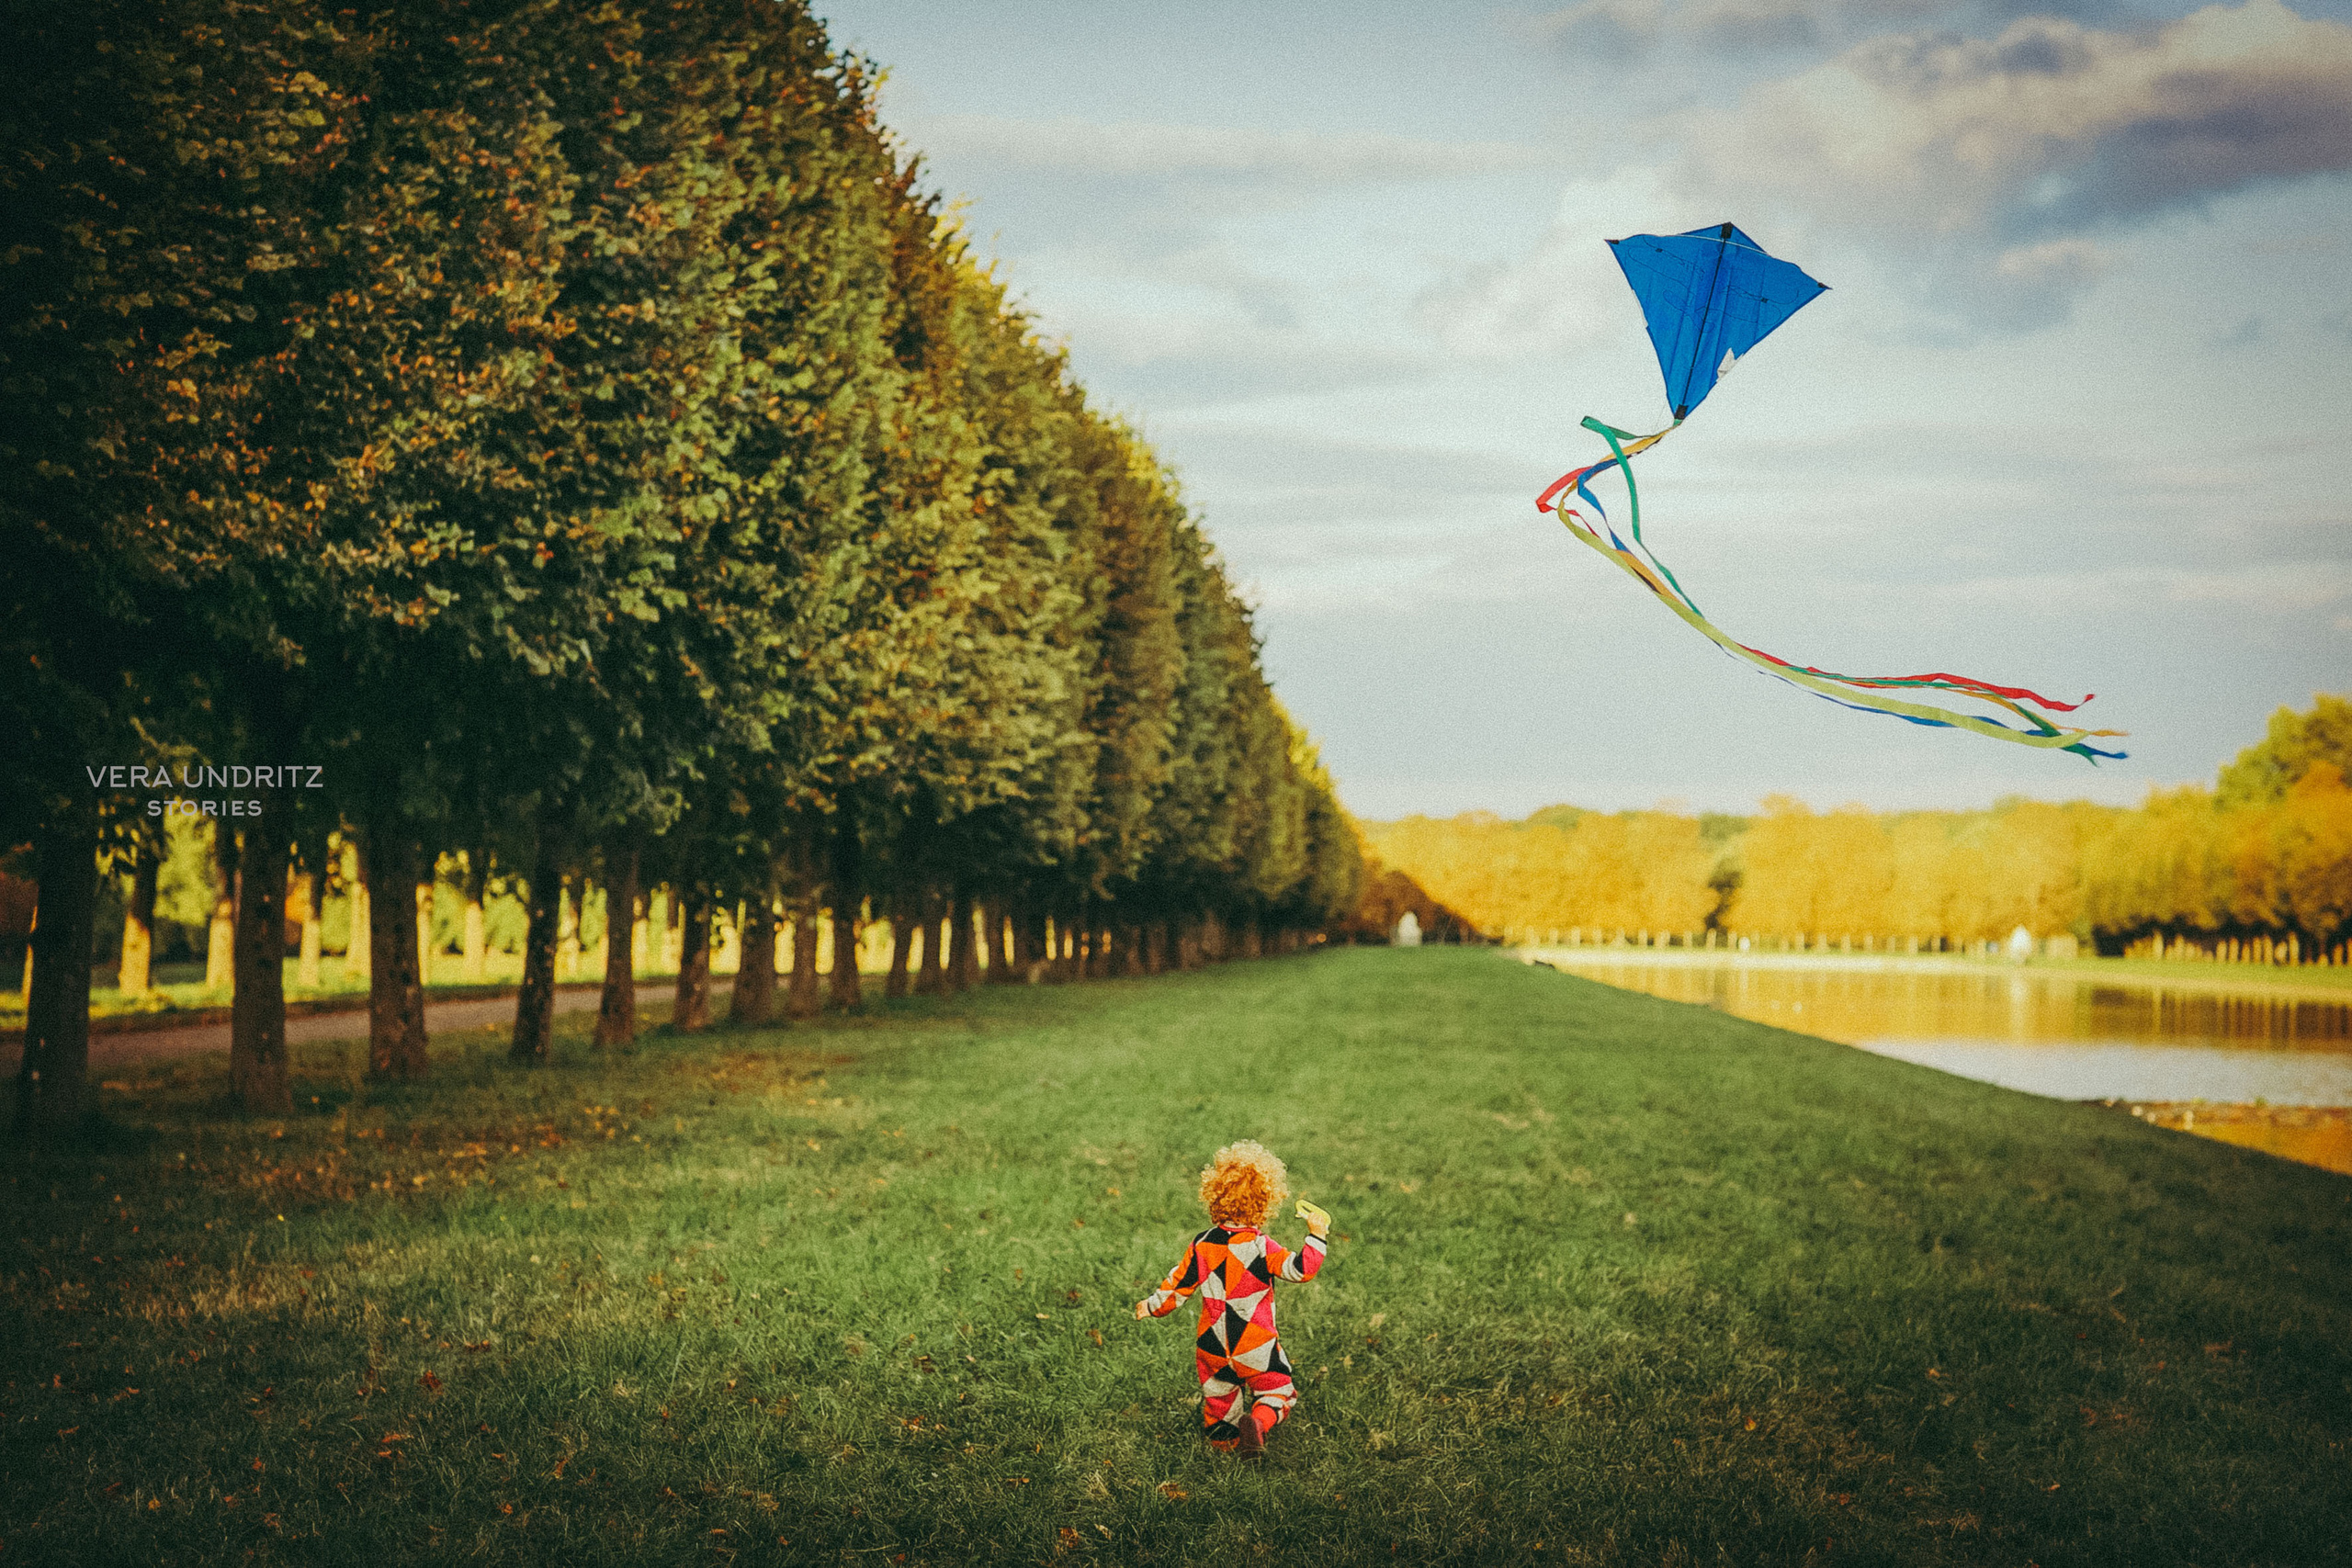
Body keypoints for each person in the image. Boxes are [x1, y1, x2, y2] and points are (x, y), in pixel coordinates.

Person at [1134, 1139, 1331, 1456]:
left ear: (1213, 1195)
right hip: (1254, 1343)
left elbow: (1178, 1286)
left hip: (1212, 1345)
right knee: (1279, 1390)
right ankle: (1259, 1422)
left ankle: (1224, 1444)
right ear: (1266, 1202)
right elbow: (1301, 1269)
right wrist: (1317, 1234)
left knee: (1220, 1396)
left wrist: (1151, 1306)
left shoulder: (1202, 1244)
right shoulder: (1262, 1247)